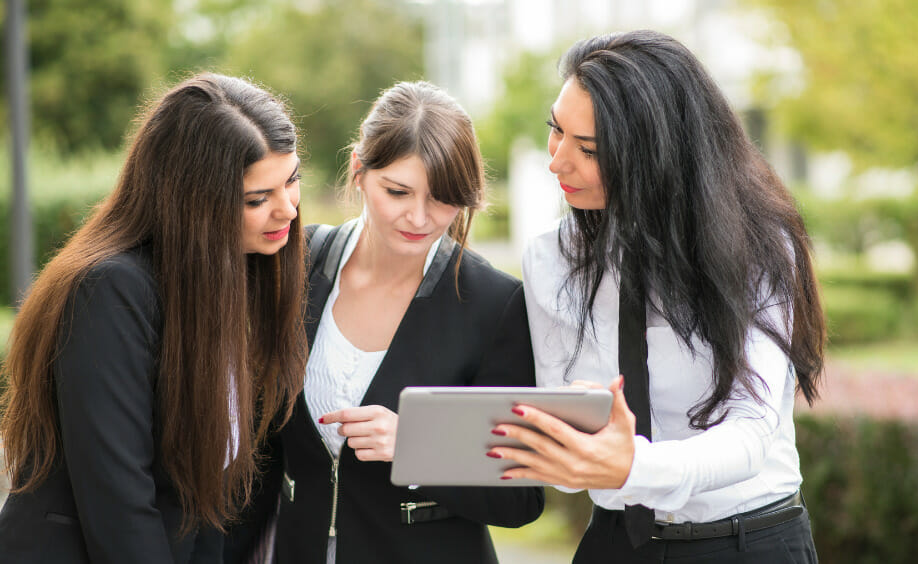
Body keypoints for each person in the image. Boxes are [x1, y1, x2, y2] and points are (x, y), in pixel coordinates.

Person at [488, 30, 826, 563]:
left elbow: (751, 430)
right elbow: (572, 452)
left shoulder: (757, 247)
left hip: (746, 542)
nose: (557, 162)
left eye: (589, 150)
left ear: (656, 156)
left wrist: (633, 467)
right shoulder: (551, 258)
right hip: (616, 542)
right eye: (556, 130)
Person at [225, 81, 542, 564]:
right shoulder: (295, 263)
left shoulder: (495, 303)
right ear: (358, 170)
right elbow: (260, 451)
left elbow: (523, 496)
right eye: (397, 191)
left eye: (443, 199)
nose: (419, 218)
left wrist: (419, 444)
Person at [0, 73, 308, 563]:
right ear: (194, 203)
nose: (287, 210)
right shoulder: (112, 291)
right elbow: (119, 501)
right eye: (257, 199)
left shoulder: (238, 274)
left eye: (291, 181)